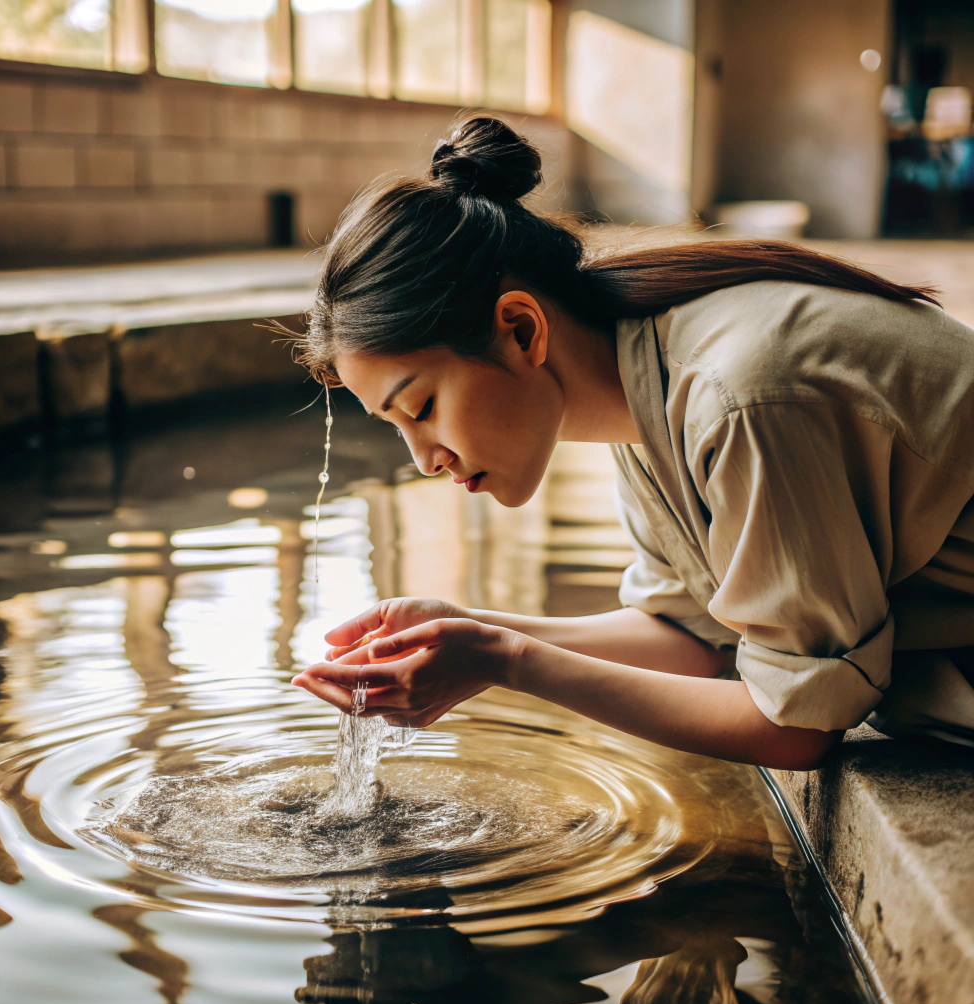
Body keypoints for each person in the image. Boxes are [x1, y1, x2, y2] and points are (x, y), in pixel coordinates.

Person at [290, 115, 974, 770]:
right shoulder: (644, 381)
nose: (425, 458)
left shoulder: (733, 397)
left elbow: (796, 729)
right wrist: (463, 631)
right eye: (399, 427)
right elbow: (690, 638)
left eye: (423, 407)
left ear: (522, 330)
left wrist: (506, 660)